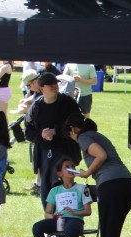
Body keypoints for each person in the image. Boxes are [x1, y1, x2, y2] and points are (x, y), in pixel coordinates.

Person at [63, 114, 131, 237]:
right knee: (112, 230)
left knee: (108, 230)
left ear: (73, 129)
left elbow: (101, 155)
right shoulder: (97, 135)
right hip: (127, 183)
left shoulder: (84, 137)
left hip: (111, 184)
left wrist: (86, 173)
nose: (72, 138)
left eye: (69, 134)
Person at [25, 72, 82, 206]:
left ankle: (67, 213)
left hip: (65, 150)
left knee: (64, 183)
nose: (55, 86)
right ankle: (48, 213)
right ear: (42, 88)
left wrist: (56, 131)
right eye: (50, 84)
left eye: (56, 83)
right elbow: (28, 132)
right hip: (44, 152)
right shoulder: (36, 106)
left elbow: (78, 124)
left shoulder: (67, 103)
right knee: (46, 185)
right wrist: (41, 134)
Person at [33, 156, 93, 237]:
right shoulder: (55, 190)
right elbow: (47, 213)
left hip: (75, 220)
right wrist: (52, 216)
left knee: (69, 229)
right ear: (59, 173)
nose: (71, 168)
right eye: (67, 167)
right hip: (59, 220)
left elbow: (88, 211)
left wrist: (74, 212)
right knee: (37, 227)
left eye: (73, 166)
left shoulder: (82, 188)